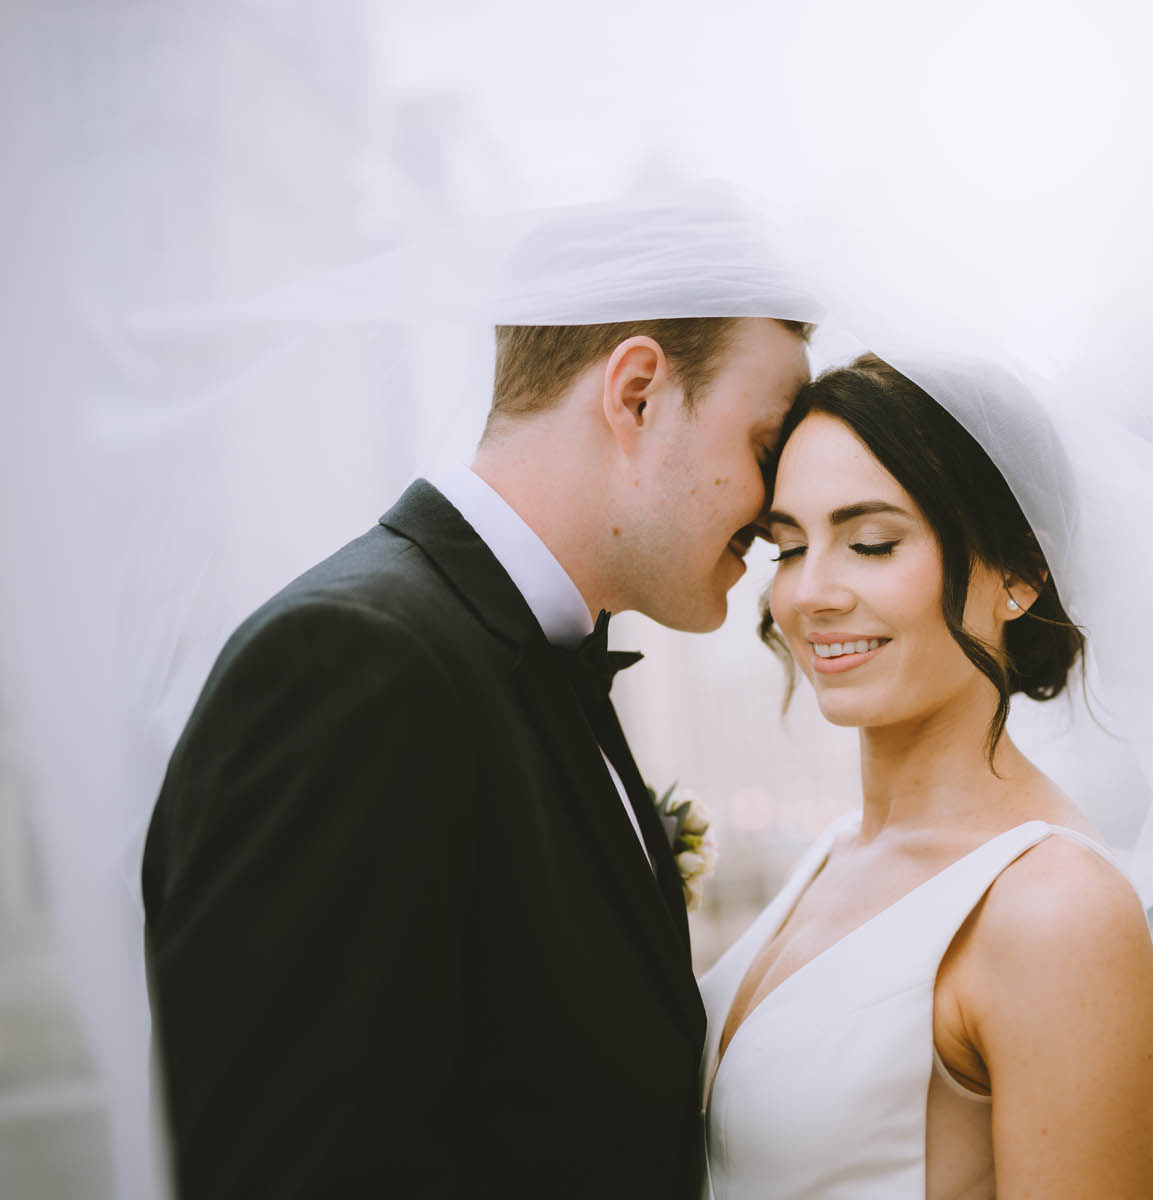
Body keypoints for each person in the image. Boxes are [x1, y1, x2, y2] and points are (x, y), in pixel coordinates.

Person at [141, 310, 813, 1198]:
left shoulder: (531, 660)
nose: (775, 512)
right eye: (766, 445)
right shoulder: (349, 667)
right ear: (637, 395)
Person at [700, 355, 1153, 1198]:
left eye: (871, 543)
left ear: (1018, 572)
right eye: (791, 546)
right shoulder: (834, 854)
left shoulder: (1055, 911)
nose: (809, 593)